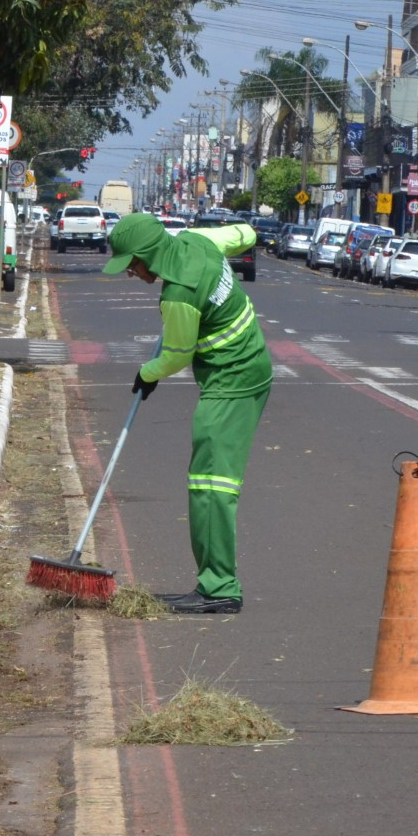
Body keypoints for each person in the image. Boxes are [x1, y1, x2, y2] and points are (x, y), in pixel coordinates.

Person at [101, 212, 271, 615]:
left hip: (233, 380)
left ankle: (219, 588)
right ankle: (216, 582)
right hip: (247, 370)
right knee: (209, 480)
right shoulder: (198, 240)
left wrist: (147, 373)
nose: (130, 274)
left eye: (131, 265)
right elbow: (245, 233)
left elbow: (177, 354)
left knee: (211, 486)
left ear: (147, 256)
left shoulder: (178, 295)